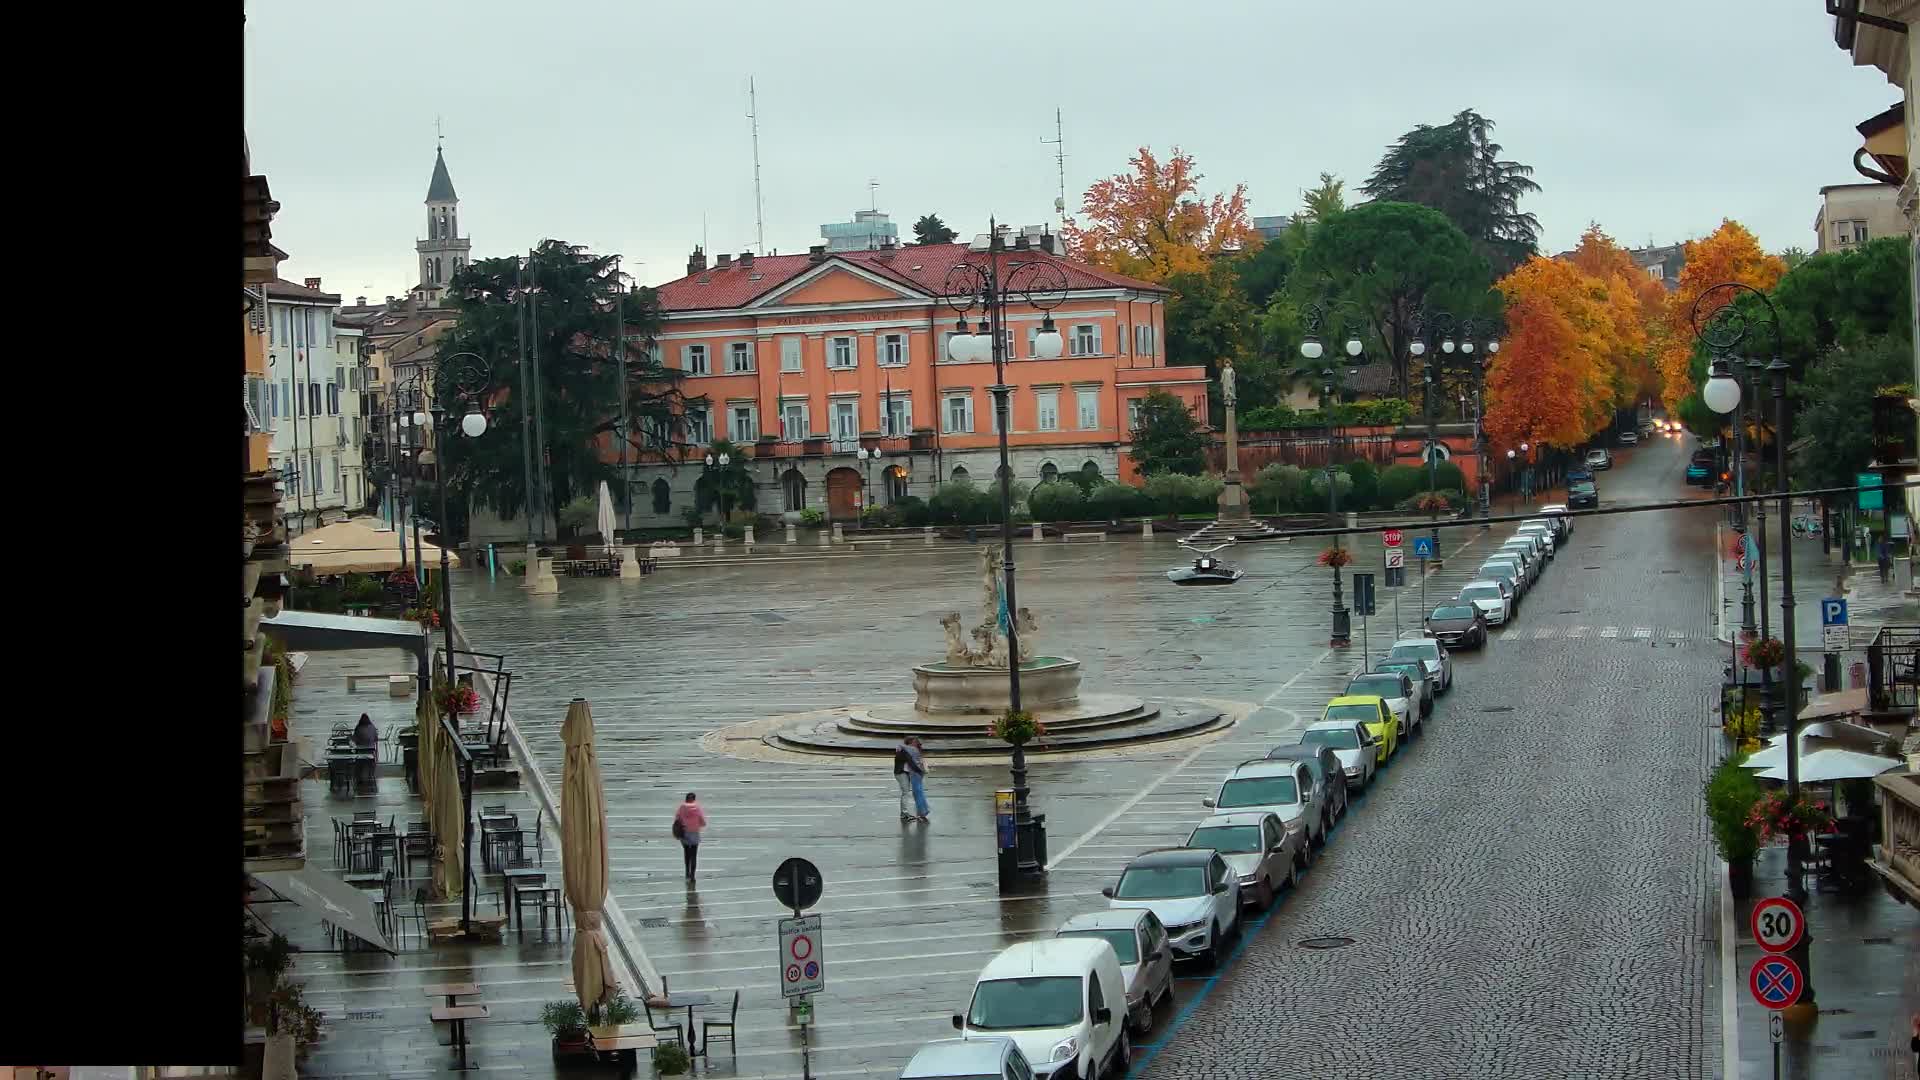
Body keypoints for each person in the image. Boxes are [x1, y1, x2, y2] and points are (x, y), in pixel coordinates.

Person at [673, 792, 706, 883]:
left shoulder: (682, 807)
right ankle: (692, 876)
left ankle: (687, 872)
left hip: (685, 833)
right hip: (694, 833)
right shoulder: (697, 807)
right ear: (694, 799)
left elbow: (677, 818)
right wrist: (699, 824)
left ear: (686, 799)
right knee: (694, 855)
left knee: (687, 853)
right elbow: (702, 821)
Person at [905, 737, 931, 823]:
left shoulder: (912, 750)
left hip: (915, 773)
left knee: (917, 793)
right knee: (920, 792)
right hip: (919, 773)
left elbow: (912, 763)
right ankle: (925, 810)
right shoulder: (917, 749)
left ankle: (922, 813)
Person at [893, 737, 917, 824]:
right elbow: (912, 763)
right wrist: (921, 771)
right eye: (914, 743)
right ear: (910, 743)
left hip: (904, 773)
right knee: (905, 793)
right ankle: (905, 813)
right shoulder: (904, 751)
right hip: (901, 774)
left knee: (905, 792)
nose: (915, 744)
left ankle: (903, 813)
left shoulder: (904, 750)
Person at [351, 714, 379, 788]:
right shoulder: (372, 727)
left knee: (358, 760)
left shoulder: (358, 728)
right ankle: (370, 773)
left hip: (360, 751)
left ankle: (358, 776)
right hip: (371, 750)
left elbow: (354, 739)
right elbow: (376, 739)